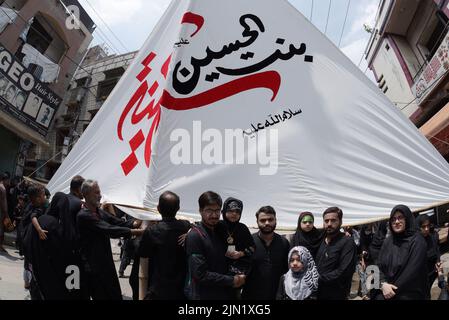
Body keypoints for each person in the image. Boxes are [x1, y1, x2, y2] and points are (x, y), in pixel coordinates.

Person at [76, 180, 143, 300]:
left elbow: (116, 222)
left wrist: (134, 223)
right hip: (93, 266)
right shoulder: (83, 215)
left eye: (99, 192)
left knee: (115, 295)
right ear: (86, 195)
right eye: (96, 192)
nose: (100, 195)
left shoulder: (99, 212)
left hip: (105, 262)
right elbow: (109, 229)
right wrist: (135, 232)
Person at [185, 191, 245, 300]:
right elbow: (200, 274)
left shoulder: (221, 231)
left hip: (224, 293)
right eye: (209, 210)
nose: (214, 215)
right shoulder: (195, 236)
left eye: (217, 210)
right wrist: (232, 280)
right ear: (200, 211)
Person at [138, 191, 191, 300]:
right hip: (181, 286)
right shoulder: (186, 227)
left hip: (159, 287)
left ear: (158, 208)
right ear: (178, 208)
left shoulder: (152, 231)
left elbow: (142, 252)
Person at [372, 205, 428, 300]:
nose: (396, 222)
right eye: (393, 219)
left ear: (407, 219)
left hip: (409, 294)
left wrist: (391, 290)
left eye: (400, 218)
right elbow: (378, 265)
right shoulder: (388, 241)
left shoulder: (417, 241)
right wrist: (383, 284)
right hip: (386, 291)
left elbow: (412, 272)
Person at [242, 206, 290, 300]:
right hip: (251, 295)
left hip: (277, 295)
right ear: (257, 222)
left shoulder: (284, 243)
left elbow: (287, 271)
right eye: (263, 220)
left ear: (276, 220)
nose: (267, 223)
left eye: (270, 219)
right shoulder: (248, 241)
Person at [315, 207, 357, 300]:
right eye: (326, 221)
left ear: (341, 222)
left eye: (333, 220)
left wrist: (319, 278)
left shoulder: (347, 242)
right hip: (317, 292)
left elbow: (344, 271)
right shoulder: (320, 240)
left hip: (336, 294)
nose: (329, 224)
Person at [220, 197, 255, 276]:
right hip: (217, 270)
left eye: (237, 211)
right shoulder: (217, 226)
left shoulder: (243, 228)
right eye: (231, 211)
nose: (234, 214)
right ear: (224, 211)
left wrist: (241, 253)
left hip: (236, 271)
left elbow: (252, 247)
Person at [416, 214, 440, 298]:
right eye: (423, 226)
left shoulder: (432, 237)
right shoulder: (415, 241)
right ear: (418, 227)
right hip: (421, 276)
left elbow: (436, 249)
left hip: (432, 273)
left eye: (428, 226)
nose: (426, 229)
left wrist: (437, 261)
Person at [0, 173, 10, 253]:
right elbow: (3, 202)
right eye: (8, 180)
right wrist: (6, 214)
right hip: (1, 212)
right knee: (1, 229)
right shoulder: (2, 188)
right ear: (5, 180)